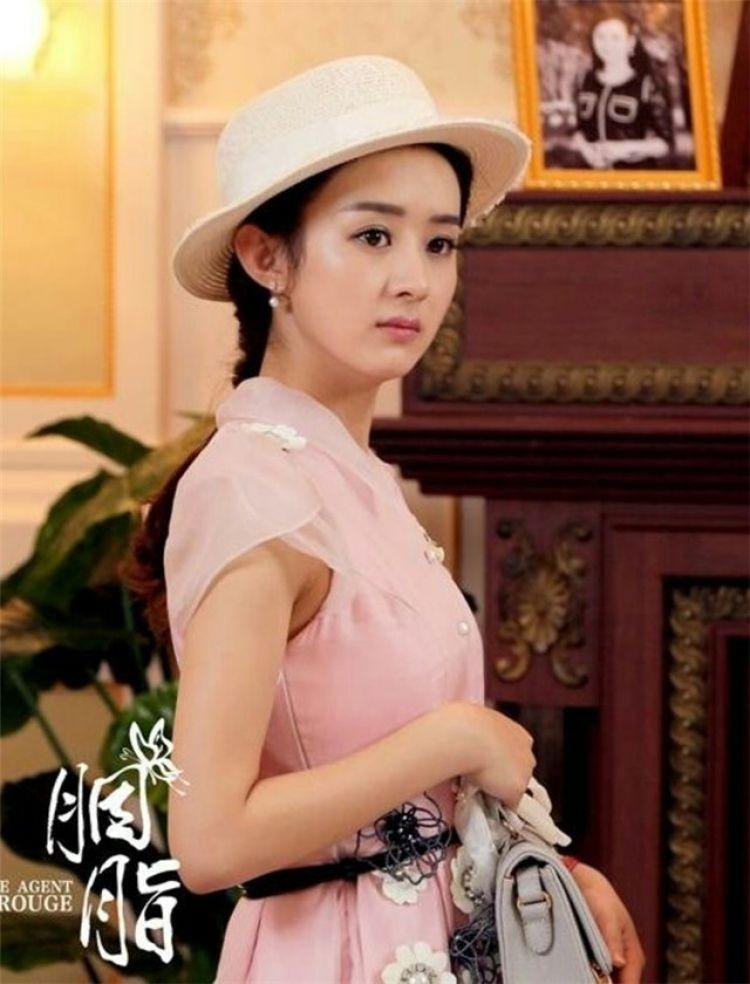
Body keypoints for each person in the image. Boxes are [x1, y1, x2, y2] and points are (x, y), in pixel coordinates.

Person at [124, 55, 645, 983]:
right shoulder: (253, 488)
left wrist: (547, 875)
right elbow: (207, 840)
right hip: (328, 955)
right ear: (267, 257)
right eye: (373, 236)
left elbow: (414, 803)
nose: (414, 279)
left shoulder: (350, 476)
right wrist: (452, 739)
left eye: (440, 244)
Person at [563, 14, 675, 170]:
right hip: (590, 176)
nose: (607, 44)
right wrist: (586, 150)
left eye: (615, 37)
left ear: (630, 42)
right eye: (600, 36)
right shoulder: (584, 80)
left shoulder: (647, 84)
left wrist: (622, 149)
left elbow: (665, 143)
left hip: (635, 176)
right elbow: (577, 130)